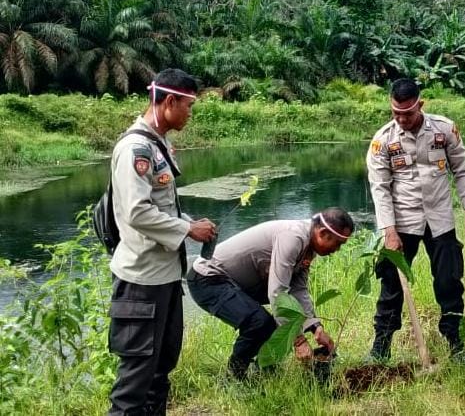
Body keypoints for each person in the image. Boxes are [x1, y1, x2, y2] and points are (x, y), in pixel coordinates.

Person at [107, 69, 218, 416]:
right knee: (134, 384)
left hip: (165, 277)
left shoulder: (158, 145)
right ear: (169, 101)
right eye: (188, 106)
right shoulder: (135, 148)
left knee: (159, 372)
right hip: (141, 281)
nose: (189, 113)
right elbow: (137, 213)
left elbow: (161, 206)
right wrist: (187, 232)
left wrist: (189, 222)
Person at [366, 79, 465, 363]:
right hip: (402, 223)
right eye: (396, 113)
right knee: (391, 286)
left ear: (420, 104)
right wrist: (388, 231)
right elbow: (379, 188)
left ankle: (456, 344)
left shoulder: (444, 129)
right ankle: (380, 347)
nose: (402, 119)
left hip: (440, 220)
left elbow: (461, 170)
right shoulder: (383, 141)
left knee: (449, 283)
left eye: (408, 112)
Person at [187, 209, 354, 380]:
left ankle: (263, 373)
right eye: (338, 243)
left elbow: (298, 289)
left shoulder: (309, 245)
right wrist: (299, 341)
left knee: (275, 323)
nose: (337, 250)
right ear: (323, 233)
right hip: (207, 278)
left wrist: (315, 327)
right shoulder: (293, 238)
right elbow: (278, 292)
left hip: (233, 282)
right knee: (259, 323)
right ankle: (233, 378)